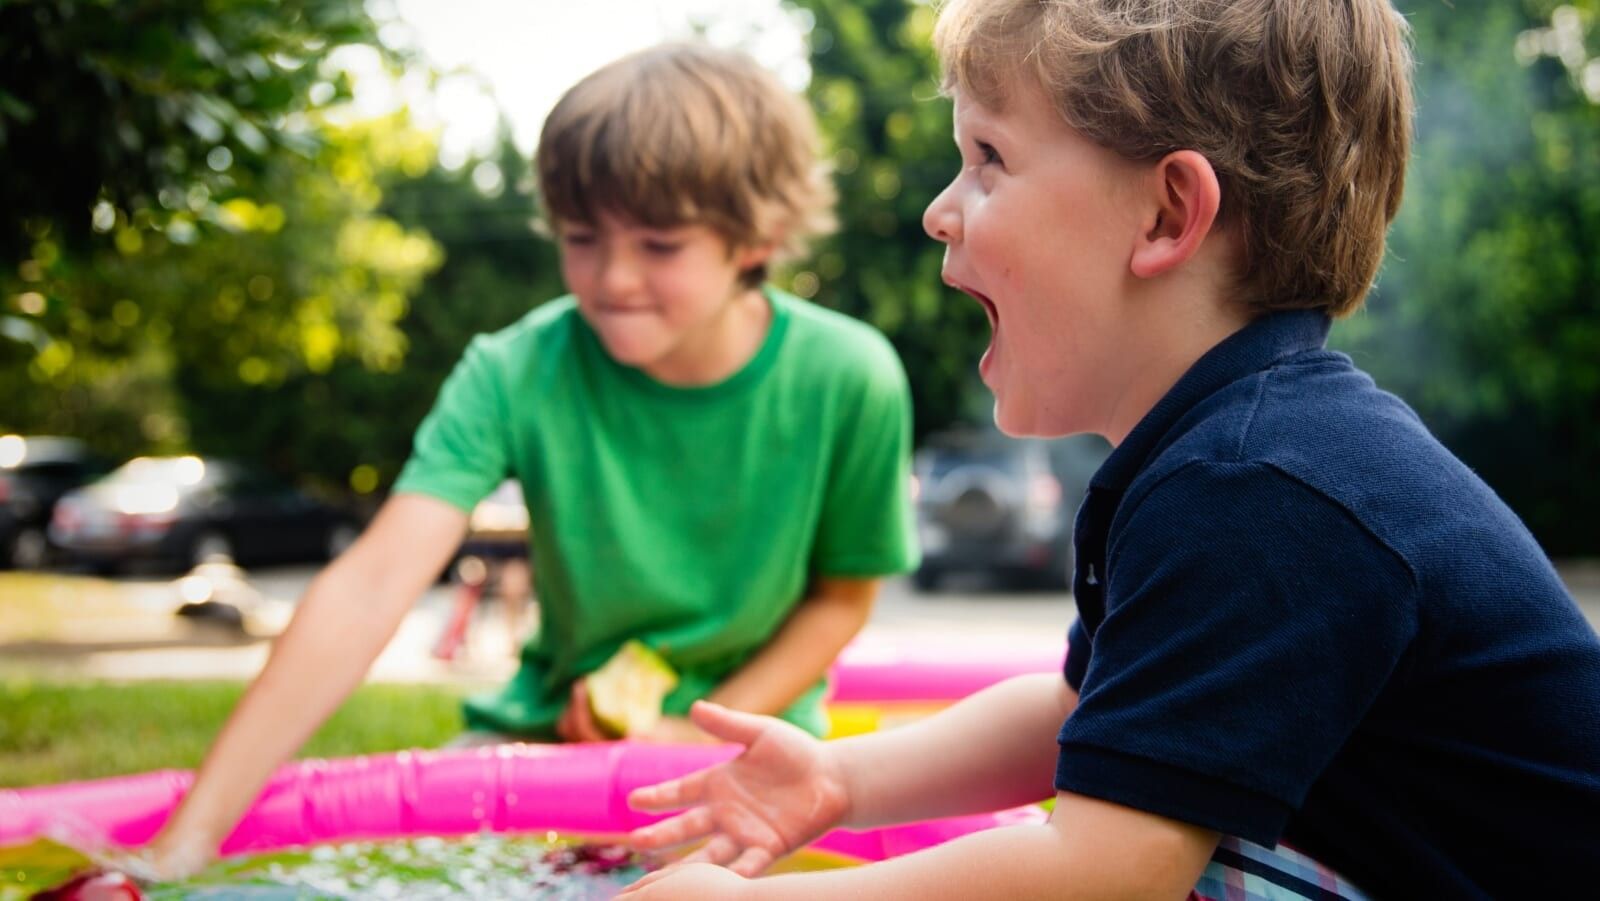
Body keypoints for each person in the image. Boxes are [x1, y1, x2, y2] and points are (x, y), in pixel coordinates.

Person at [616, 1, 1600, 898]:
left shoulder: (1259, 488)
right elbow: (1077, 711)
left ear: (1167, 214)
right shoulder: (1232, 451)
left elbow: (1105, 872)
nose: (938, 210)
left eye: (989, 157)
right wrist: (840, 777)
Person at [140, 42, 918, 875]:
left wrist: (693, 730)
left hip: (755, 753)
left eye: (660, 245)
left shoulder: (851, 377)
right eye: (582, 238)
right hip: (544, 741)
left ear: (758, 236)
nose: (613, 278)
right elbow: (370, 586)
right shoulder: (513, 369)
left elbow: (841, 598)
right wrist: (187, 840)